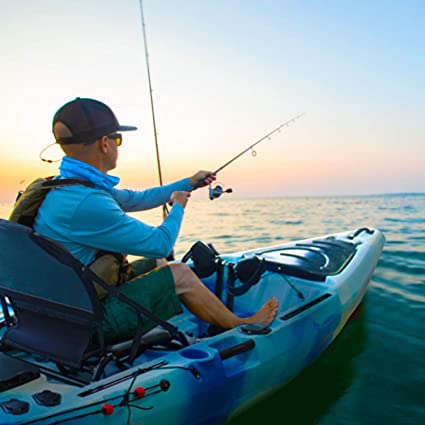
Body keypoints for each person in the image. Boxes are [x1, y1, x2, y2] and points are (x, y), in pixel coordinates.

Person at [34, 97, 278, 343]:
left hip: (63, 306)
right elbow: (160, 242)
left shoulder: (66, 187)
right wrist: (179, 206)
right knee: (179, 272)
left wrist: (189, 183)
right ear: (104, 144)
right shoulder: (88, 203)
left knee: (159, 262)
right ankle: (241, 324)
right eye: (118, 139)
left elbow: (138, 199)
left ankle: (191, 314)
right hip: (84, 324)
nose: (119, 145)